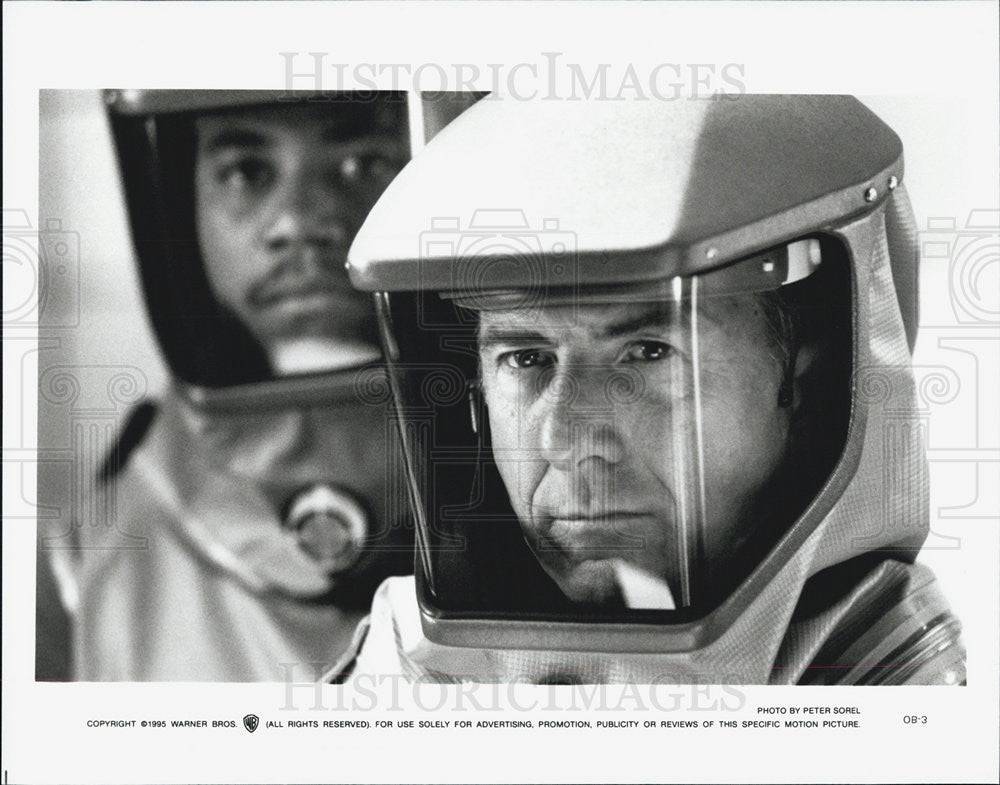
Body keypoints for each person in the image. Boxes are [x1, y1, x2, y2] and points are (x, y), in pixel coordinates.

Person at [332, 94, 966, 685]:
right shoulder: (410, 671)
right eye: (527, 358)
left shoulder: (878, 682)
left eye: (647, 353)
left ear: (805, 381)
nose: (567, 441)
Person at [41, 91, 419, 681]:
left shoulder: (555, 496)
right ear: (177, 200)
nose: (298, 221)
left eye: (365, 163)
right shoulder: (81, 572)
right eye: (247, 172)